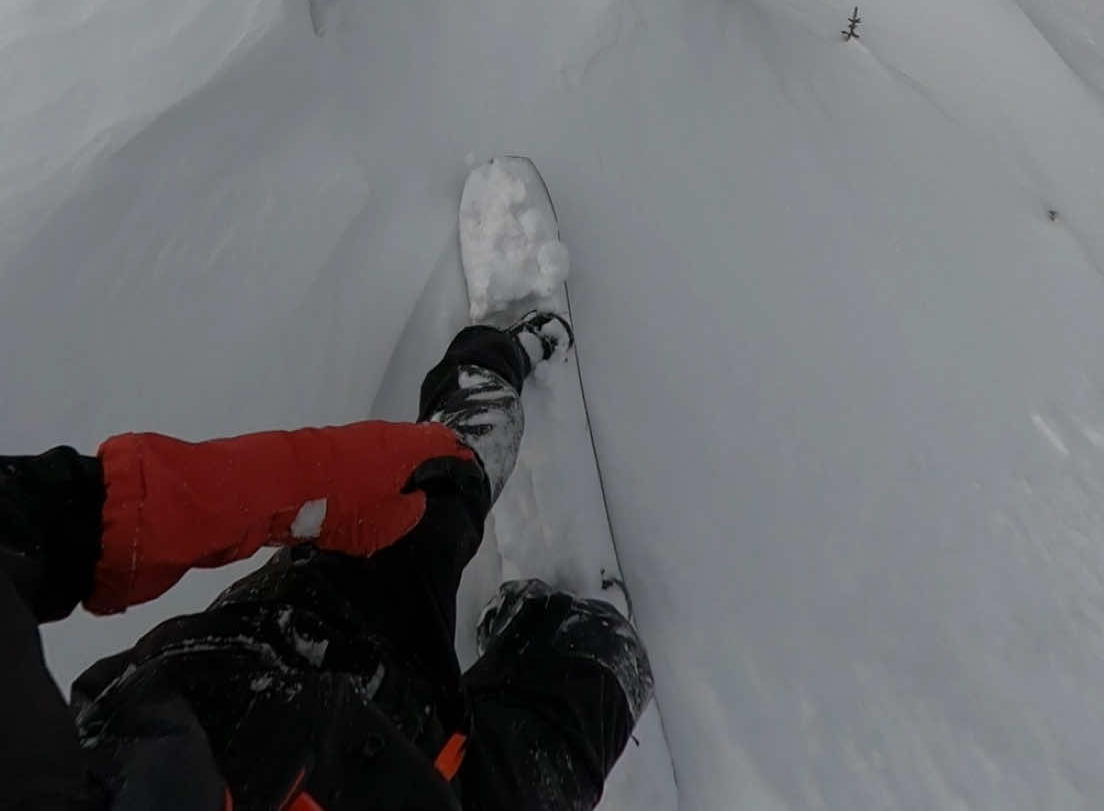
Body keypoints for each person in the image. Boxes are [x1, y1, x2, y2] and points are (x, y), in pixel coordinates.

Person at [0, 312, 653, 811]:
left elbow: (50, 515)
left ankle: (484, 369)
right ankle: (542, 624)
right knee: (607, 661)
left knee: (435, 481)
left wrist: (312, 480)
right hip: (440, 788)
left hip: (272, 671)